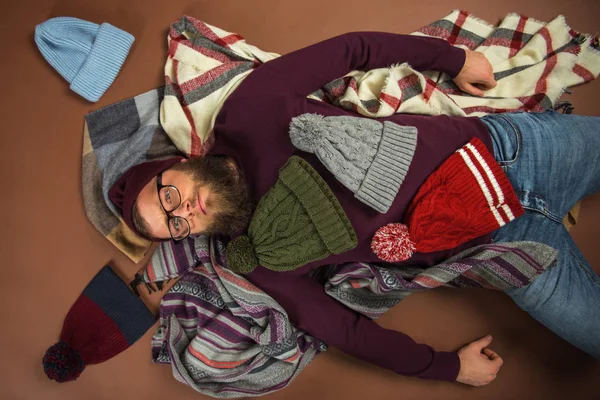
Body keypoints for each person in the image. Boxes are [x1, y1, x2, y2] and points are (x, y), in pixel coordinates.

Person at [109, 32, 600, 387]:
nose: (185, 212)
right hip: (504, 249)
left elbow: (350, 51)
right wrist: (447, 368)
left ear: (176, 165)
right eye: (174, 226)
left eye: (167, 195)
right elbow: (343, 330)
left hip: (512, 154)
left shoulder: (247, 111)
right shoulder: (256, 258)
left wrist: (453, 58)